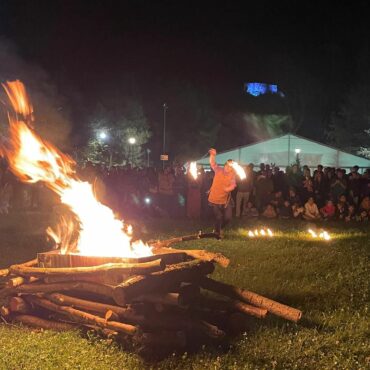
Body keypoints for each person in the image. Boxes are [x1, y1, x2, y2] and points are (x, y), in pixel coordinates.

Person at [208, 148, 236, 239]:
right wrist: (212, 155)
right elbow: (212, 163)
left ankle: (220, 229)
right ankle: (217, 233)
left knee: (228, 218)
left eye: (230, 167)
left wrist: (228, 188)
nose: (228, 168)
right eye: (227, 166)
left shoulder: (232, 174)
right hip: (215, 199)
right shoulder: (218, 170)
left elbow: (233, 184)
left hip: (225, 200)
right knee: (218, 217)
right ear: (224, 166)